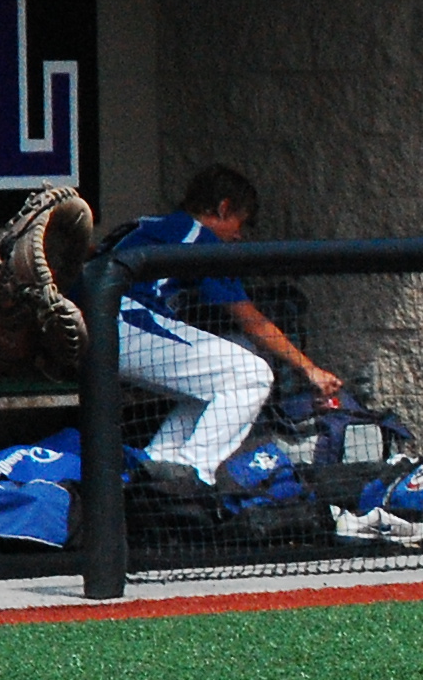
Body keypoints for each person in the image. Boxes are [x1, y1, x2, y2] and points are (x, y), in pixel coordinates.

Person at [116, 166, 341, 484]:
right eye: (240, 222)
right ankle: (192, 477)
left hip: (85, 325)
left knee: (225, 371)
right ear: (223, 208)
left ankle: (157, 469)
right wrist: (310, 369)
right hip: (122, 322)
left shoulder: (150, 224)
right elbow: (251, 320)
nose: (239, 235)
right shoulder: (199, 237)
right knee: (252, 375)